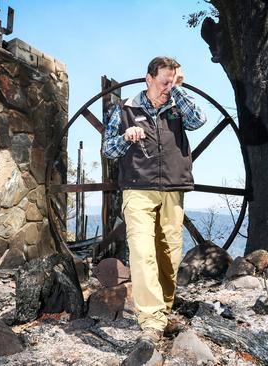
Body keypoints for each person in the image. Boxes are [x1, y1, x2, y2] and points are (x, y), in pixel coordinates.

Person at [102, 56, 207, 342]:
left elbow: (199, 120)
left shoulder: (177, 104)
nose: (167, 88)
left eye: (172, 82)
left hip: (173, 188)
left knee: (169, 254)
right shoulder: (125, 109)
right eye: (163, 82)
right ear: (149, 79)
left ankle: (163, 310)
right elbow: (109, 149)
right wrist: (125, 136)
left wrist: (178, 89)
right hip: (138, 189)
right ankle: (151, 320)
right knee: (142, 252)